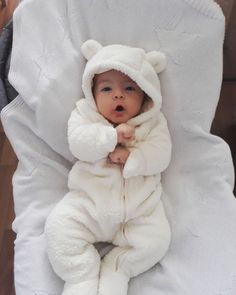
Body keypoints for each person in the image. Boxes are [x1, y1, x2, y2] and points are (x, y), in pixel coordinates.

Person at [45, 40, 172, 295]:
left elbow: (161, 155)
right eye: (106, 88)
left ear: (146, 95)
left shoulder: (152, 123)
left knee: (158, 241)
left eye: (129, 88)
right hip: (89, 205)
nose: (118, 95)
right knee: (58, 230)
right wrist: (110, 138)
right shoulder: (85, 115)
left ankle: (118, 268)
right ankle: (81, 276)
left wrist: (133, 159)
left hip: (139, 212)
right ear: (92, 93)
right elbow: (78, 144)